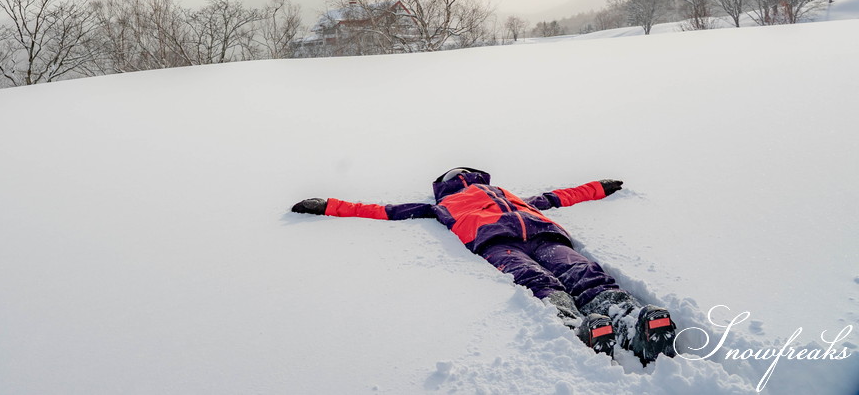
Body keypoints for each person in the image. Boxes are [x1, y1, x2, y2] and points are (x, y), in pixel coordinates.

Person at [290, 166, 676, 364]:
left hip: (542, 234)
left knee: (580, 269)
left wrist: (599, 187)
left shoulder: (511, 196)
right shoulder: (439, 206)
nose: (463, 181)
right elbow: (382, 211)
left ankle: (625, 317)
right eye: (457, 179)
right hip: (496, 244)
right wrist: (326, 205)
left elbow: (557, 196)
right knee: (535, 279)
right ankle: (577, 324)